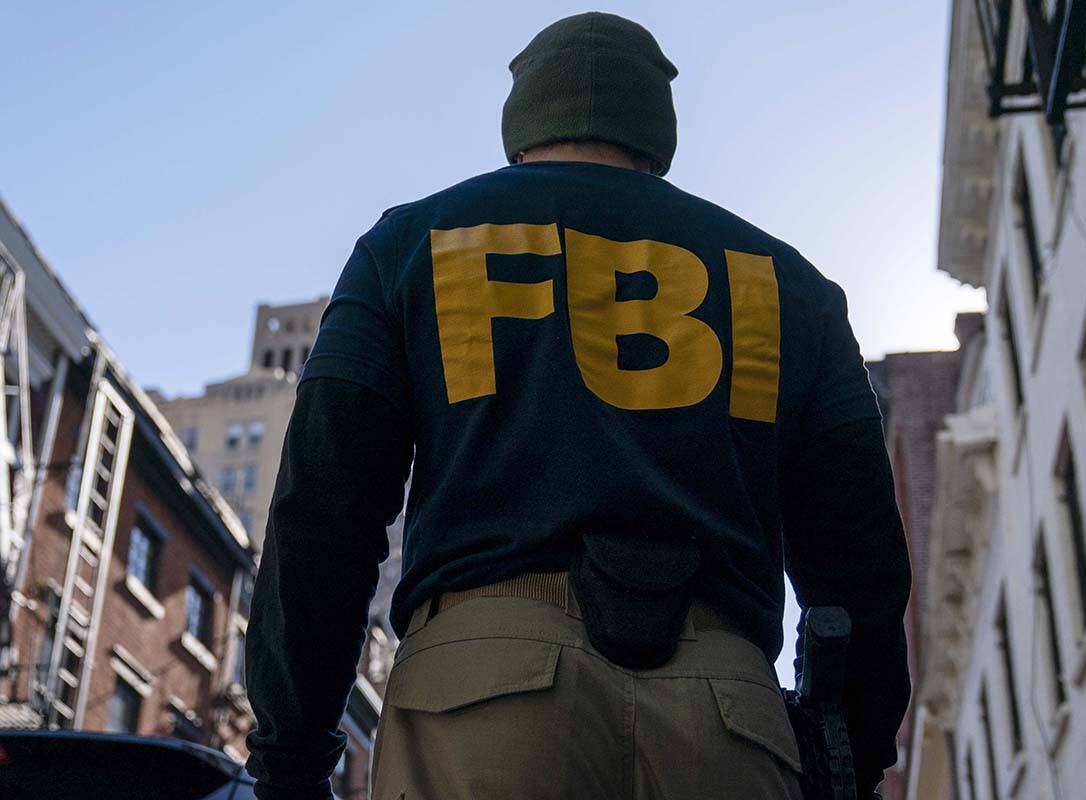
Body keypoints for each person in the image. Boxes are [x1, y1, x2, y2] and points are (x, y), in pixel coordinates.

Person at [245, 11, 911, 800]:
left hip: (481, 689)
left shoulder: (410, 243)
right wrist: (855, 754)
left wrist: (291, 756)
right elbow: (861, 557)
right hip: (726, 709)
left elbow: (325, 509)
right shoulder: (791, 284)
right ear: (657, 133)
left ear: (520, 127)